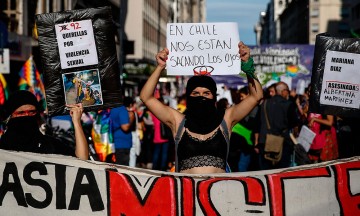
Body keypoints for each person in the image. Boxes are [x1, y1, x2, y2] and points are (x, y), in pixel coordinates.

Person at [140, 42, 263, 174]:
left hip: (219, 192)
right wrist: (160, 67)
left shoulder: (226, 119)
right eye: (195, 94)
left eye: (206, 93)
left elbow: (256, 96)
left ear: (214, 97)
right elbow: (146, 97)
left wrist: (247, 65)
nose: (201, 98)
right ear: (188, 97)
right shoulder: (178, 121)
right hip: (186, 193)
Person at [0, 90, 89, 160]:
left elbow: (82, 161)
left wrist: (76, 122)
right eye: (21, 113)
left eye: (32, 112)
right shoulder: (2, 148)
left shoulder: (50, 145)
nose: (27, 116)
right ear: (9, 117)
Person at [257, 82, 298, 169]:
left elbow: (257, 124)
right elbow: (294, 124)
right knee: (281, 173)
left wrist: (256, 143)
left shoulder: (264, 104)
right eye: (288, 90)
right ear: (283, 91)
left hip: (265, 142)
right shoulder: (288, 104)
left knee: (265, 173)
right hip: (283, 143)